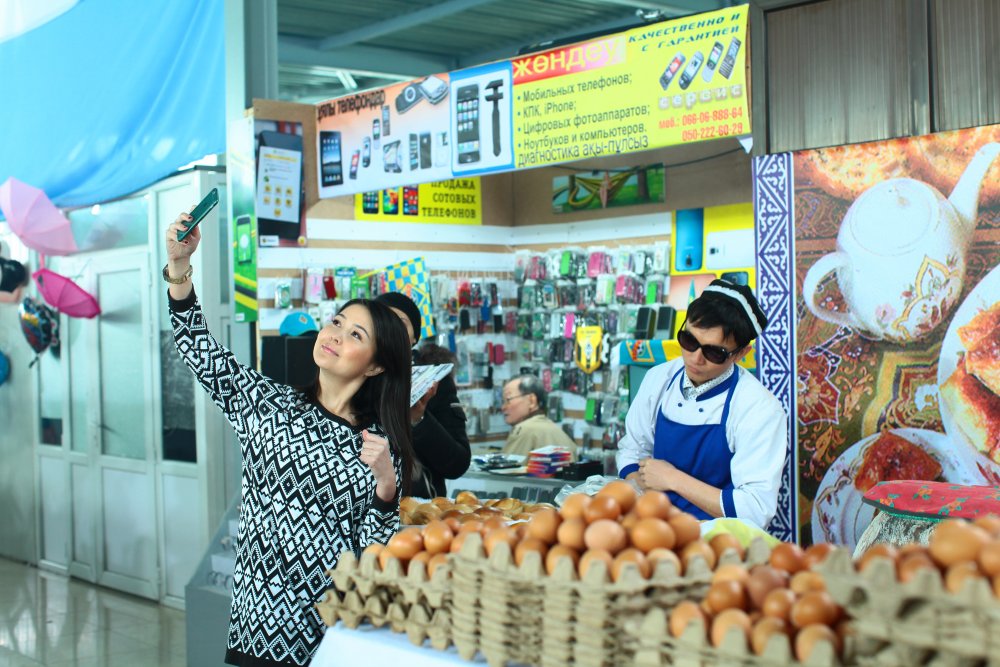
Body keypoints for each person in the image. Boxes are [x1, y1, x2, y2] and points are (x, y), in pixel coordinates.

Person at [164, 210, 414, 667]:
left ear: (376, 364)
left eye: (355, 334)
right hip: (256, 630)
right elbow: (198, 348)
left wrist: (386, 490)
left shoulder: (380, 447)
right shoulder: (269, 404)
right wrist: (179, 267)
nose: (334, 335)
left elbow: (374, 557)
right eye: (336, 322)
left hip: (332, 637)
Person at [616, 279, 786, 530]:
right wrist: (645, 499)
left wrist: (673, 479)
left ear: (741, 354)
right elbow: (632, 449)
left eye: (714, 353)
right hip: (655, 528)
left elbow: (755, 508)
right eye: (688, 340)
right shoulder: (658, 379)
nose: (695, 358)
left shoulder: (759, 409)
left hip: (717, 538)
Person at [374, 292, 471, 499]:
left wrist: (418, 419)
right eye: (382, 321)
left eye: (400, 323)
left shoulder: (433, 379)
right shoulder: (355, 376)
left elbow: (457, 464)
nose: (391, 329)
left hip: (419, 511)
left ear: (414, 337)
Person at [500, 374, 578, 458]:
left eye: (508, 400)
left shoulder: (524, 430)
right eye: (503, 402)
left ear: (531, 400)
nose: (503, 407)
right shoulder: (559, 432)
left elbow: (507, 465)